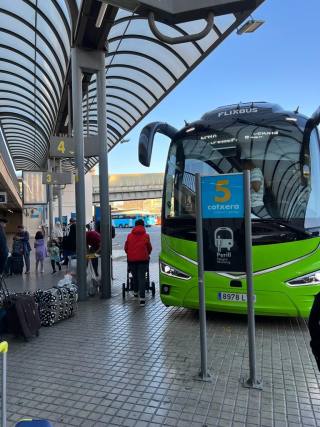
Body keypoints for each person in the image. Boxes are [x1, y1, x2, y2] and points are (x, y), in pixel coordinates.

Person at [124, 219, 152, 306]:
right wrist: (147, 254)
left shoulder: (129, 236)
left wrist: (131, 254)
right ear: (143, 226)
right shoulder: (146, 235)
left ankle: (135, 293)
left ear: (135, 226)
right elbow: (149, 248)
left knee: (135, 276)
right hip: (143, 260)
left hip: (132, 260)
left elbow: (126, 248)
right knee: (142, 278)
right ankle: (142, 300)